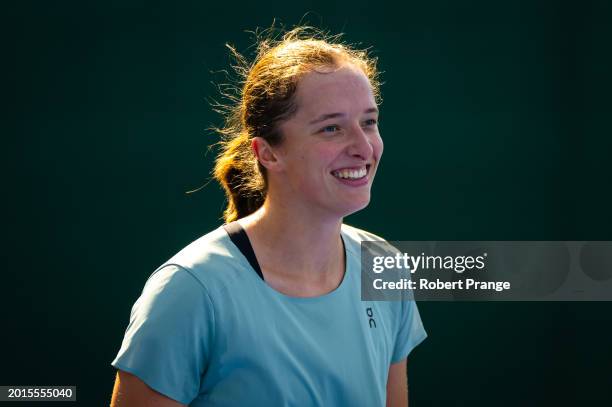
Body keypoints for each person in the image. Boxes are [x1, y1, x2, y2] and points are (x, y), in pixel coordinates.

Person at [110, 27, 427, 406]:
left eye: (369, 122)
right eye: (331, 128)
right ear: (268, 153)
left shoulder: (385, 268)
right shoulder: (190, 291)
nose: (363, 147)